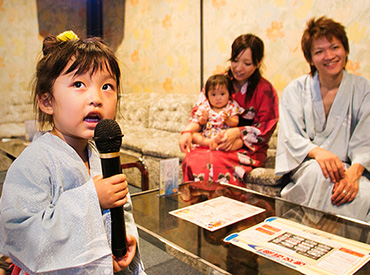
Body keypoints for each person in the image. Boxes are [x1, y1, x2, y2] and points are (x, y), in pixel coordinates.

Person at [0, 31, 145, 274]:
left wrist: (126, 237)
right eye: (79, 84)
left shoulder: (103, 156)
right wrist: (92, 198)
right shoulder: (34, 162)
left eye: (107, 86)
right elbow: (20, 233)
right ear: (47, 101)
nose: (96, 98)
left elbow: (123, 208)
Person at [275, 17, 370, 222]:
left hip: (352, 169)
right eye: (319, 51)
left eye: (334, 47)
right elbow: (290, 137)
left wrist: (354, 171)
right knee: (319, 175)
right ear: (310, 58)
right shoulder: (295, 90)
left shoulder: (364, 90)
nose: (329, 56)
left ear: (345, 50)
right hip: (309, 166)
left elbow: (366, 140)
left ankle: (345, 250)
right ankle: (314, 239)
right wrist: (318, 152)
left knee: (363, 195)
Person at [179, 34, 279, 186]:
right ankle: (196, 206)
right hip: (212, 140)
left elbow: (265, 128)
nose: (238, 68)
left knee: (216, 162)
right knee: (191, 159)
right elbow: (199, 111)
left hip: (244, 148)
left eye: (247, 63)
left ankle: (224, 207)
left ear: (258, 63)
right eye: (235, 61)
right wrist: (187, 132)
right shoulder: (218, 82)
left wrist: (237, 133)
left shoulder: (265, 91)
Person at [191, 74, 244, 150]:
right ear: (207, 96)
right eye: (213, 95)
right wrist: (203, 118)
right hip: (208, 136)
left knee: (240, 142)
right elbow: (200, 123)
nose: (218, 98)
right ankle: (210, 143)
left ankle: (220, 147)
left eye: (222, 94)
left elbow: (236, 122)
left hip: (225, 136)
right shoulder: (205, 107)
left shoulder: (231, 106)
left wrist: (229, 120)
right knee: (194, 136)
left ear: (229, 94)